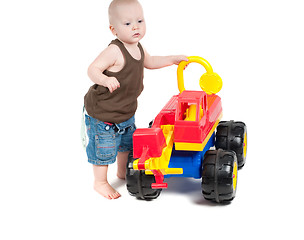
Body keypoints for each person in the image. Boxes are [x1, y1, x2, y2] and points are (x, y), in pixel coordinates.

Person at [84, 0, 188, 199]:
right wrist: (105, 79)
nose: (135, 26)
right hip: (103, 115)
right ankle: (100, 182)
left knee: (127, 145)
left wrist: (172, 59)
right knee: (103, 150)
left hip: (126, 112)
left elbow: (150, 62)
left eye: (139, 20)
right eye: (127, 23)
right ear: (113, 30)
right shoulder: (114, 50)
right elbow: (92, 69)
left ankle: (122, 172)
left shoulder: (138, 47)